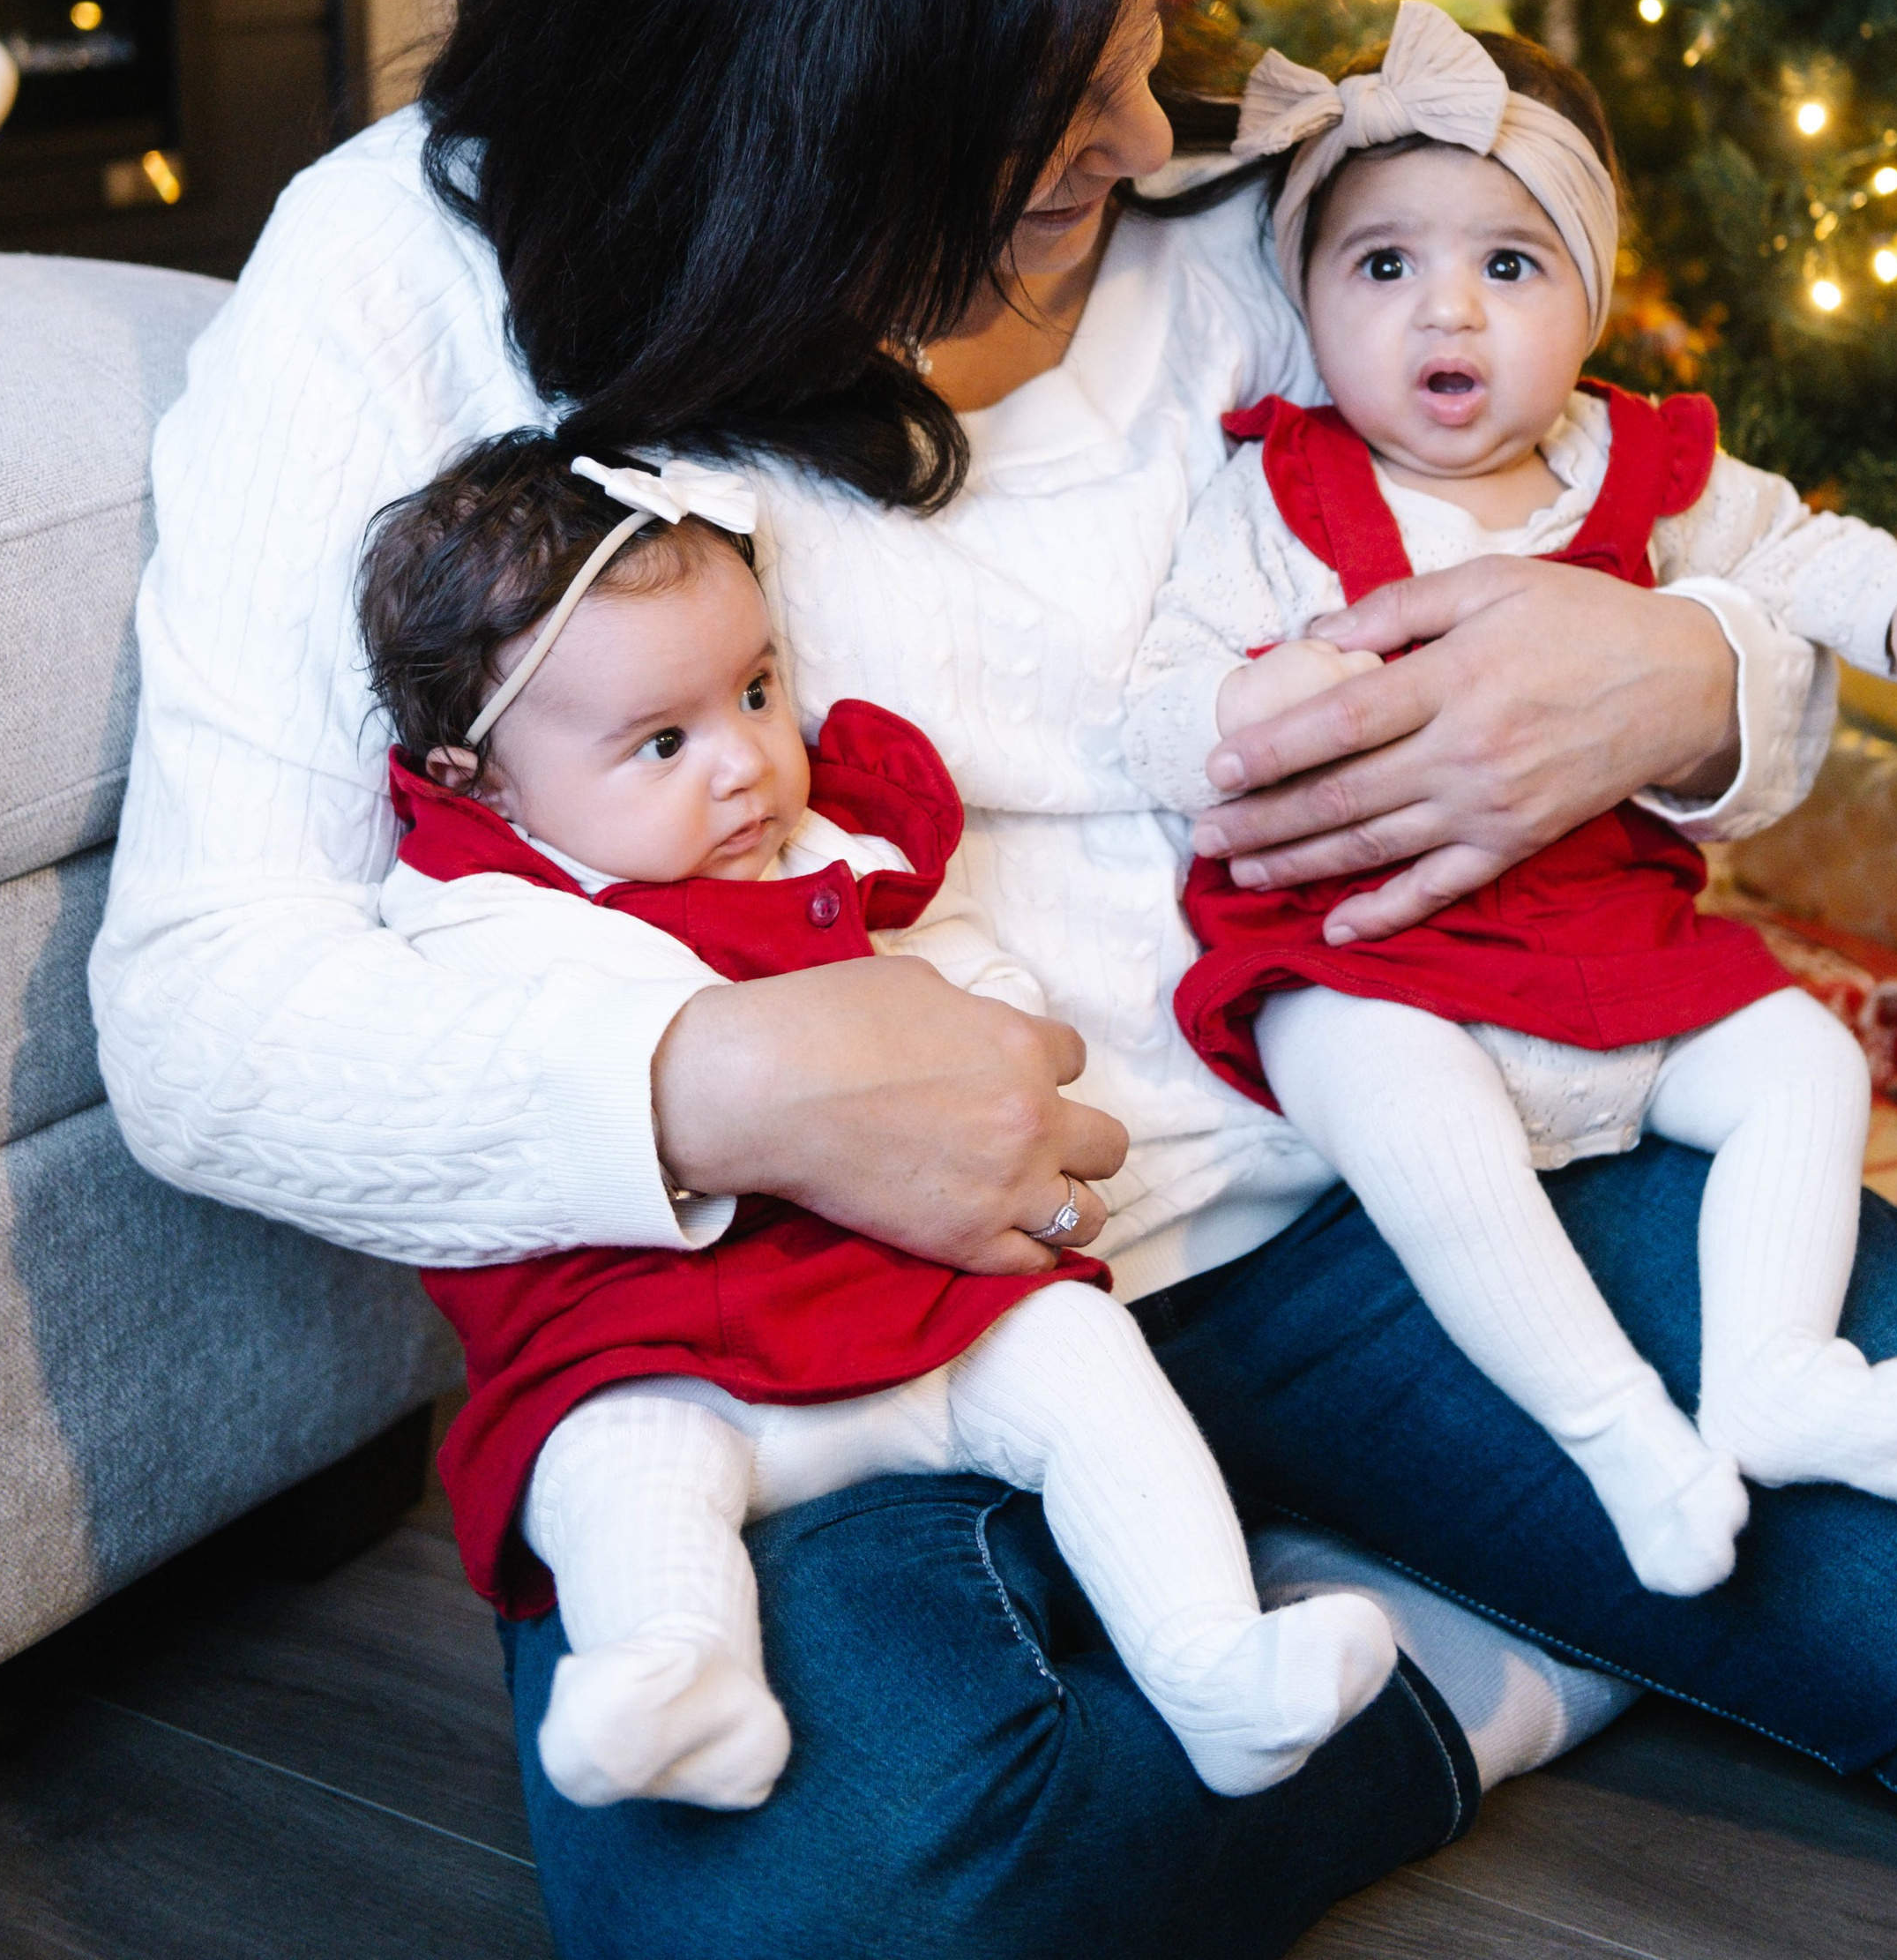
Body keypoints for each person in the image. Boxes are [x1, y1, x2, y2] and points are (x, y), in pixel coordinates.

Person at [91, 0, 1897, 1956]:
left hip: (1410, 1167)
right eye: (1044, 116)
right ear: (791, 117)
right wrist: (718, 1079)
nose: (1144, 126)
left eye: (1139, 22)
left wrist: (1686, 684)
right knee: (832, 1922)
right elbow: (203, 1007)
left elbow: (1685, 544)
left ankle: (1385, 1543)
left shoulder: (1269, 193)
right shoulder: (394, 281)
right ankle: (1462, 1675)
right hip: (819, 1305)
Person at [360, 431, 1394, 1810]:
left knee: (1084, 1354)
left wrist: (982, 1018)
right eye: (663, 741)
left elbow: (956, 965)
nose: (744, 766)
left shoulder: (828, 848)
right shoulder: (481, 909)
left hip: (918, 1309)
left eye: (756, 691)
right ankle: (681, 1676)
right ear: (482, 778)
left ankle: (1214, 1666)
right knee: (608, 1455)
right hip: (664, 1344)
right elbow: (498, 1070)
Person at [1124, 4, 1897, 1605]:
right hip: (1364, 952)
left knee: (1803, 1059)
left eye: (1509, 267)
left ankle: (1775, 1370)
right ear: (1307, 298)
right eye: (1381, 265)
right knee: (1392, 1101)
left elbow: (1804, 554)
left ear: (1591, 298)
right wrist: (1246, 708)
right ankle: (1617, 1436)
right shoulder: (1283, 489)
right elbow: (1163, 700)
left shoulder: (1652, 470)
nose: (1443, 307)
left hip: (1607, 947)